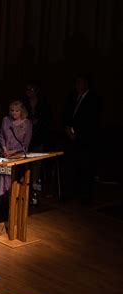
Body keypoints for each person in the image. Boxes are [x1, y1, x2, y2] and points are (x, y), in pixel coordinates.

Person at [63, 75, 100, 203]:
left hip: (85, 140)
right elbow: (67, 115)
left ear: (86, 84)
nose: (78, 85)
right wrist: (68, 129)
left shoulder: (93, 99)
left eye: (80, 83)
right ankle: (69, 194)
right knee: (71, 167)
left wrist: (76, 132)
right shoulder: (73, 98)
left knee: (85, 168)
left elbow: (91, 121)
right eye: (76, 83)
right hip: (71, 139)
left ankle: (85, 198)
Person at [0, 101, 32, 200]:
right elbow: (1, 135)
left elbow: (26, 143)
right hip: (5, 155)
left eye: (17, 111)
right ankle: (4, 202)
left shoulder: (27, 123)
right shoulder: (5, 120)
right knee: (4, 178)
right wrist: (4, 149)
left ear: (22, 111)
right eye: (12, 110)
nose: (14, 113)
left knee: (15, 180)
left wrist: (13, 151)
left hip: (18, 156)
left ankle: (15, 201)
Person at [22, 81, 52, 190]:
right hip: (26, 135)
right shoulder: (24, 103)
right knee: (25, 159)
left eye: (31, 89)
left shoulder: (43, 102)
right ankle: (26, 180)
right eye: (27, 90)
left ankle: (34, 181)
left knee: (37, 159)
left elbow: (47, 118)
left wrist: (38, 121)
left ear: (36, 91)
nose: (29, 92)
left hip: (39, 135)